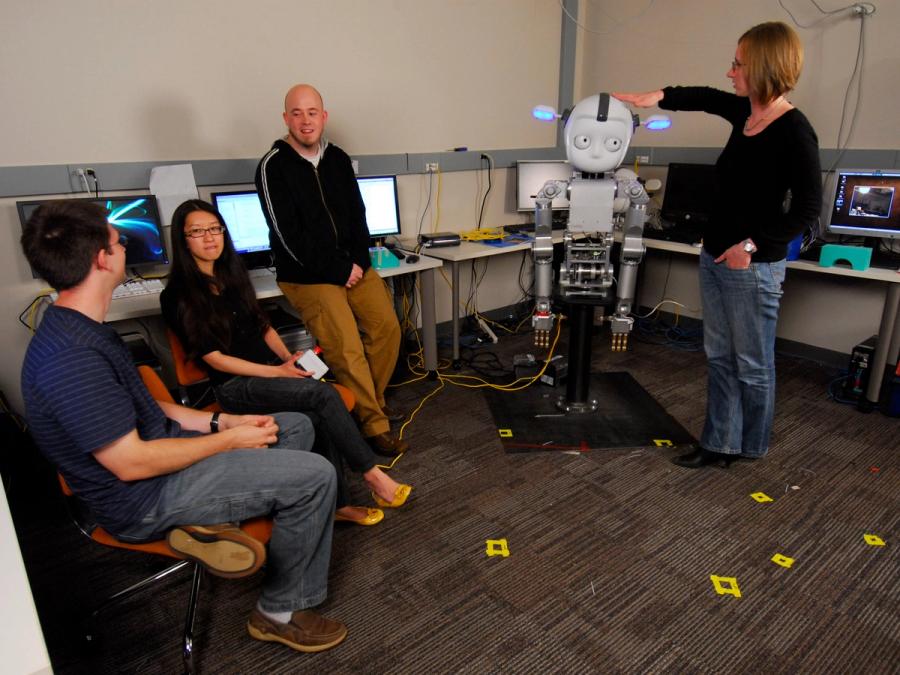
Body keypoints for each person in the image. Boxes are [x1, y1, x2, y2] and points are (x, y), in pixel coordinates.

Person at [20, 200, 347, 653]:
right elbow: (131, 464)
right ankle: (279, 611)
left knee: (290, 427)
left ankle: (221, 520)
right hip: (144, 499)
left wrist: (223, 419)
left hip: (165, 458)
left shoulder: (84, 328)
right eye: (118, 242)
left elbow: (154, 408)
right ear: (102, 258)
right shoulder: (70, 359)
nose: (124, 248)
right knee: (316, 477)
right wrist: (229, 440)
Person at [614, 21, 822, 468]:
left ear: (764, 66)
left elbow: (806, 210)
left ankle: (750, 447)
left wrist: (748, 247)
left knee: (752, 362)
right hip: (715, 255)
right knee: (721, 357)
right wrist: (657, 96)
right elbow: (705, 97)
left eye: (737, 64)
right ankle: (718, 443)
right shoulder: (746, 113)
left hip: (752, 266)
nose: (730, 72)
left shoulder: (794, 130)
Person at [160, 199, 412, 524]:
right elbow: (216, 360)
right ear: (183, 240)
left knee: (316, 412)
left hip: (269, 373)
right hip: (236, 387)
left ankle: (338, 506)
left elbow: (263, 327)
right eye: (197, 232)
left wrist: (287, 358)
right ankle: (374, 476)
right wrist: (276, 371)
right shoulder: (178, 295)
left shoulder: (232, 276)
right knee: (325, 395)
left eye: (214, 229)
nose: (209, 238)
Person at [256, 83, 407, 456]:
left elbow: (358, 216)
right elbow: (287, 235)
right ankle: (374, 423)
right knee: (346, 345)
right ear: (285, 119)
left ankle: (364, 400)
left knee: (387, 328)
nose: (305, 121)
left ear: (324, 117)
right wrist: (338, 270)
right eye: (297, 113)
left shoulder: (337, 158)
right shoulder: (272, 167)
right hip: (307, 274)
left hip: (351, 265)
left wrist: (357, 262)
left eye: (312, 113)